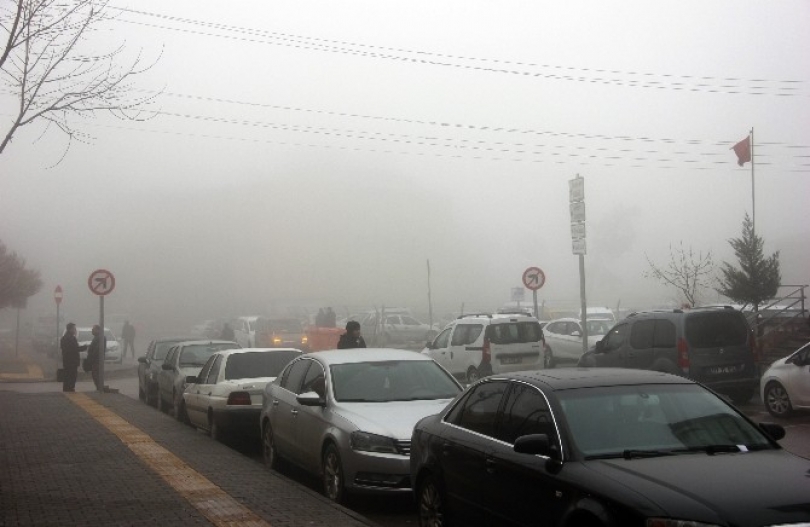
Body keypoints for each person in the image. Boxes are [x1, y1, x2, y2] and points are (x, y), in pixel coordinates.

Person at [60, 322, 87, 392]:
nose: (75, 330)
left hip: (67, 361)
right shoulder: (70, 338)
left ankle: (67, 389)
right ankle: (70, 389)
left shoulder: (64, 338)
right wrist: (84, 347)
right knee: (71, 376)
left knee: (68, 376)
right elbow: (74, 349)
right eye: (74, 329)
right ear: (70, 329)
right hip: (71, 361)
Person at [87, 324, 105, 391]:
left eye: (93, 329)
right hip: (95, 360)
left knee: (96, 375)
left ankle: (99, 388)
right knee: (95, 375)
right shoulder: (97, 337)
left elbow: (97, 350)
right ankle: (98, 388)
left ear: (98, 330)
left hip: (97, 361)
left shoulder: (100, 338)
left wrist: (91, 357)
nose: (92, 331)